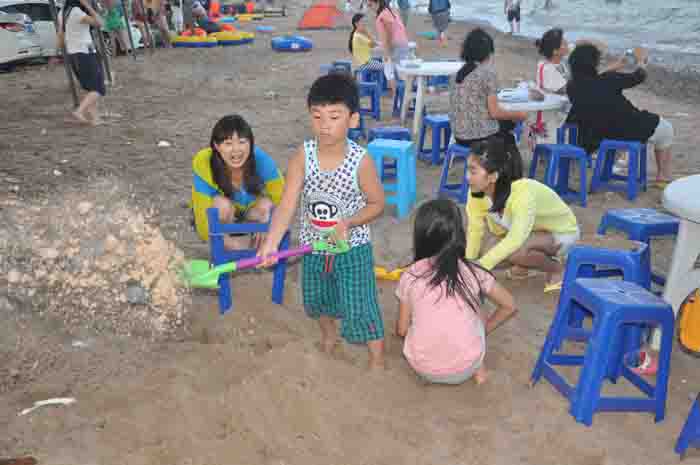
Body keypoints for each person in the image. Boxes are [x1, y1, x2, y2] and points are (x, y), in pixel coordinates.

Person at [257, 74, 386, 369]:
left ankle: (377, 358)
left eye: (334, 117)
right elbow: (287, 203)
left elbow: (377, 204)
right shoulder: (304, 156)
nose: (324, 125)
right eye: (317, 116)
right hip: (313, 247)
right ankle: (329, 335)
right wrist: (271, 243)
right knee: (317, 300)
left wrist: (349, 222)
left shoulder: (360, 161)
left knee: (360, 304)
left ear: (353, 119)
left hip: (352, 248)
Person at [395, 198, 517, 385]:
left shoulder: (411, 275)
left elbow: (402, 330)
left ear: (420, 237)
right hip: (468, 367)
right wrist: (484, 329)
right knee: (476, 309)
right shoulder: (474, 272)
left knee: (423, 321)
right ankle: (480, 375)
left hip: (423, 369)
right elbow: (510, 305)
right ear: (459, 235)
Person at [465, 136, 580, 293]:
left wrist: (481, 267)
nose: (467, 177)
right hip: (531, 233)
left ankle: (557, 269)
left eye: (473, 171)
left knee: (513, 251)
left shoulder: (522, 193)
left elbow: (515, 239)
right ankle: (524, 265)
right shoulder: (476, 193)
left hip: (561, 233)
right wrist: (469, 264)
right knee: (487, 251)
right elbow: (474, 229)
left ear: (493, 176)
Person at [566, 44, 675, 186]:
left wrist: (617, 65)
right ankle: (663, 176)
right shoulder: (609, 79)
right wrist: (641, 61)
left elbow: (594, 81)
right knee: (666, 129)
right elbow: (638, 76)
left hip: (596, 135)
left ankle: (608, 169)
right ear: (594, 63)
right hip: (625, 128)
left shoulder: (572, 86)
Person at [191, 114, 285, 250]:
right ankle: (237, 246)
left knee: (267, 206)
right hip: (224, 220)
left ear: (251, 144)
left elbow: (283, 200)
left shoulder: (262, 160)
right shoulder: (203, 162)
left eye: (242, 142)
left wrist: (270, 225)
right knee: (221, 205)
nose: (236, 150)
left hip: (249, 214)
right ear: (216, 146)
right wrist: (233, 244)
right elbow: (202, 223)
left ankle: (256, 244)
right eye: (228, 143)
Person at [449, 28, 527, 151]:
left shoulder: (455, 75)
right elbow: (495, 112)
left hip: (459, 136)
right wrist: (519, 114)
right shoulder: (487, 74)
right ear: (487, 53)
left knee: (505, 123)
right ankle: (506, 161)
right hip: (479, 138)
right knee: (510, 125)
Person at [57, 0, 106, 126]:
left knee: (89, 88)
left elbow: (61, 35)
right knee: (98, 88)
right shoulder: (76, 12)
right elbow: (100, 23)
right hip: (85, 53)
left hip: (73, 54)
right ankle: (79, 111)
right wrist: (88, 6)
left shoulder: (62, 12)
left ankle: (95, 119)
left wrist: (58, 52)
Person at [531, 28, 569, 144]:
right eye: (564, 43)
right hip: (551, 118)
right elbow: (568, 90)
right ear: (555, 51)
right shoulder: (549, 69)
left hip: (553, 113)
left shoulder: (550, 64)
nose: (567, 44)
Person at [366, 0, 409, 94]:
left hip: (395, 46)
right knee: (399, 72)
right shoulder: (391, 11)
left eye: (370, 5)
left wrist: (386, 53)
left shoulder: (382, 16)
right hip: (403, 43)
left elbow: (388, 35)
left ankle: (397, 94)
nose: (369, 8)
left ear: (377, 2)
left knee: (390, 72)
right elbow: (396, 30)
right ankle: (402, 95)